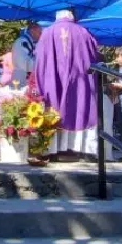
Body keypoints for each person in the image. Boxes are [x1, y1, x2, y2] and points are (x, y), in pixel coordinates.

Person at [35, 9, 101, 159]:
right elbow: (94, 56)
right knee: (79, 108)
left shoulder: (47, 32)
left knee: (55, 109)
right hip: (79, 80)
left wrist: (40, 82)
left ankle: (51, 150)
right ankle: (85, 150)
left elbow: (40, 61)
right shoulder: (83, 32)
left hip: (53, 79)